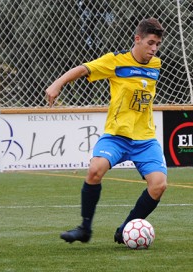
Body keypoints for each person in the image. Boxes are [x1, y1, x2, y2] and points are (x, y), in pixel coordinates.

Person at [45, 18, 167, 244]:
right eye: (150, 43)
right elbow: (84, 69)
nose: (154, 49)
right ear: (137, 39)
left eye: (157, 44)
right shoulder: (116, 61)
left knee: (159, 184)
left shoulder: (156, 65)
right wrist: (57, 83)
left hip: (145, 139)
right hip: (117, 135)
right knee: (95, 170)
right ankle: (85, 228)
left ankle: (125, 229)